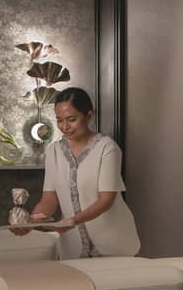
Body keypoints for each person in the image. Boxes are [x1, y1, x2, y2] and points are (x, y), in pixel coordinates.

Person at [10, 87, 140, 259]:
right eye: (59, 120)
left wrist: (72, 221)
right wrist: (31, 221)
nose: (65, 127)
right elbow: (49, 199)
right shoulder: (53, 151)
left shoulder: (107, 148)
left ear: (89, 115)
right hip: (73, 249)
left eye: (72, 119)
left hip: (114, 244)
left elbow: (106, 200)